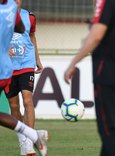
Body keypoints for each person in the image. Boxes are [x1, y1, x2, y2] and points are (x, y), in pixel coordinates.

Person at [64, 0, 115, 155]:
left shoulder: (107, 3)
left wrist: (74, 62)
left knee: (108, 133)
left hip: (106, 74)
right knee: (111, 130)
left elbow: (96, 36)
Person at [0, 0, 47, 156]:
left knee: (28, 100)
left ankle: (28, 143)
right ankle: (24, 140)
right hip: (8, 68)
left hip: (26, 63)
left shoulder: (29, 17)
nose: (17, 2)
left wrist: (37, 60)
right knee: (14, 106)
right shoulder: (4, 13)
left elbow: (31, 37)